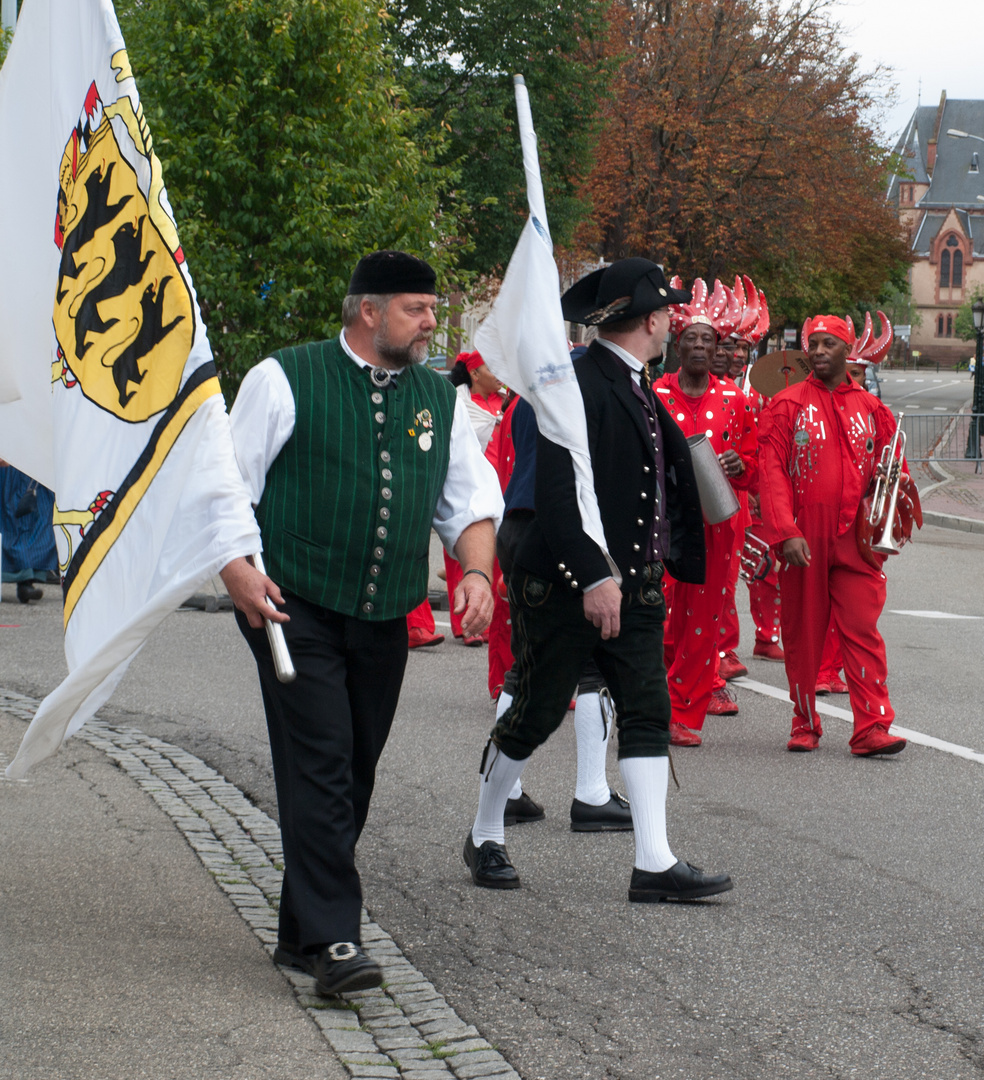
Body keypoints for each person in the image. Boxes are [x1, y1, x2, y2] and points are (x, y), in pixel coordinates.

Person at [221, 251, 503, 995]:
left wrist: (475, 571)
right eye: (418, 308)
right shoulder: (284, 378)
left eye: (433, 308)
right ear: (368, 311)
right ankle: (337, 942)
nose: (432, 322)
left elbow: (469, 501)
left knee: (355, 773)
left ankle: (299, 931)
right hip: (292, 605)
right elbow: (224, 487)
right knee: (321, 761)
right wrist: (237, 570)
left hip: (383, 614)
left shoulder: (440, 401)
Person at [462, 257, 733, 904]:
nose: (674, 322)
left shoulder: (634, 380)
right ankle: (484, 832)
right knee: (535, 711)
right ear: (647, 320)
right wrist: (591, 577)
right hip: (564, 579)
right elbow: (553, 494)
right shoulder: (576, 384)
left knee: (646, 710)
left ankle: (654, 862)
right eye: (668, 312)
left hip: (632, 580)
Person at [758, 314, 906, 756]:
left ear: (847, 352)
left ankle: (871, 727)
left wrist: (887, 509)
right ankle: (804, 722)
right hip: (805, 536)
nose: (819, 352)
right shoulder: (786, 404)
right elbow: (772, 475)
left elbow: (894, 471)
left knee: (862, 628)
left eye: (828, 344)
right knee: (803, 633)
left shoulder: (872, 409)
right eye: (813, 345)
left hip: (857, 541)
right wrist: (785, 531)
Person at [653, 282, 757, 745]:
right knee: (660, 611)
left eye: (707, 339)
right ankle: (655, 693)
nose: (699, 345)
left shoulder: (737, 400)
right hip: (663, 522)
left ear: (718, 348)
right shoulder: (655, 394)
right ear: (678, 345)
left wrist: (741, 463)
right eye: (691, 338)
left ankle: (684, 713)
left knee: (704, 619)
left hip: (717, 523)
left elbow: (753, 460)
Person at [443, 350, 505, 645]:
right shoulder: (458, 402)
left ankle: (483, 619)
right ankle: (464, 624)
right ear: (474, 374)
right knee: (460, 563)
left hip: (498, 488)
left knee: (491, 561)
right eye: (490, 367)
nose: (498, 374)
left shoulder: (504, 402)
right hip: (465, 493)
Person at [0, 462, 58, 603]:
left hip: (35, 467)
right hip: (11, 465)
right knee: (13, 524)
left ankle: (28, 580)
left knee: (42, 522)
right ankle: (25, 581)